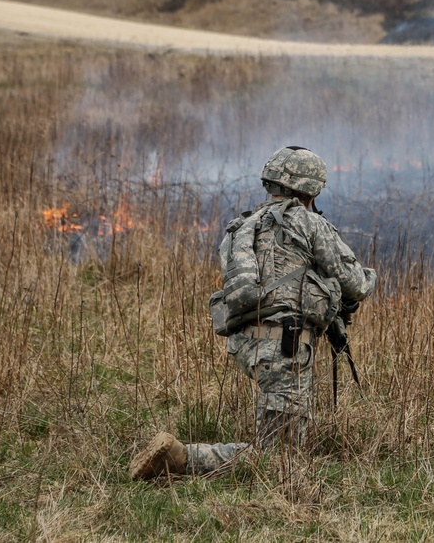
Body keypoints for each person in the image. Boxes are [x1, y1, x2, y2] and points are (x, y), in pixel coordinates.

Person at [130, 146, 377, 480]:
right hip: (284, 346)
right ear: (311, 190)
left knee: (284, 444)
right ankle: (179, 458)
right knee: (280, 463)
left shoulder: (242, 226)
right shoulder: (309, 223)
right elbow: (356, 283)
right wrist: (370, 277)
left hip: (245, 343)